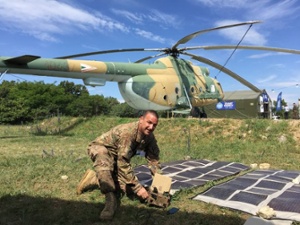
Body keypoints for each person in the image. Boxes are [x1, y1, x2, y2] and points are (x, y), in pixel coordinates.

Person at [77, 110, 161, 220]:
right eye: (149, 122)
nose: (151, 127)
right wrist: (138, 188)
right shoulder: (128, 132)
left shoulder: (149, 137)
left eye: (154, 125)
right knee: (104, 160)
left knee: (124, 187)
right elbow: (123, 164)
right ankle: (110, 201)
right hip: (101, 149)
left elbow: (154, 159)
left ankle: (94, 179)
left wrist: (160, 183)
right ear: (141, 119)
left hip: (117, 157)